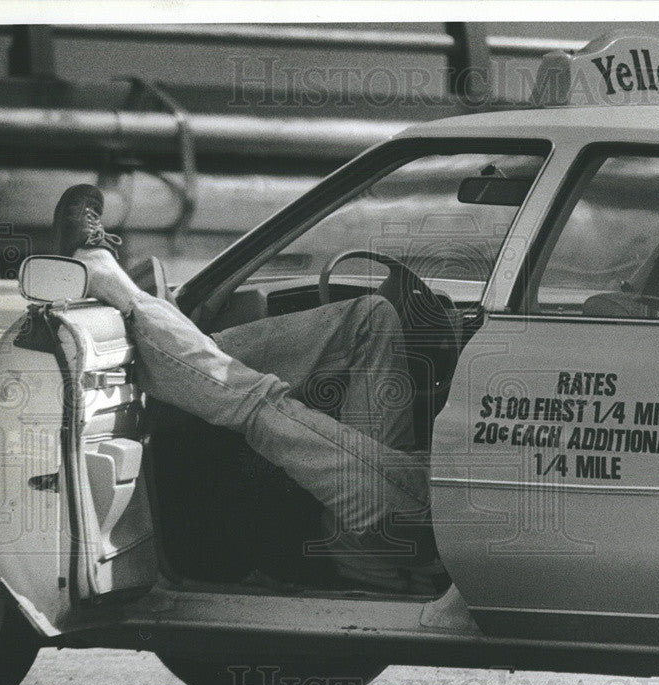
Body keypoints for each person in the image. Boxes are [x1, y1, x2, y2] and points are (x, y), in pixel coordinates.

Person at [52, 184, 444, 594]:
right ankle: (178, 358)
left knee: (260, 403)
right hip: (415, 484)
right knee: (371, 317)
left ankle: (122, 296)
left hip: (420, 512)